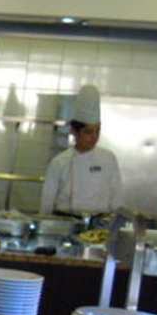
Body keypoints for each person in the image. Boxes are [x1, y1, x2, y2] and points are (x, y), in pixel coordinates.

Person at [39, 84, 123, 216]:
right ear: (74, 131)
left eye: (97, 130)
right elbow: (47, 203)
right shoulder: (59, 162)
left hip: (99, 224)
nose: (94, 137)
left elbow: (117, 199)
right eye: (88, 132)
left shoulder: (108, 159)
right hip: (65, 222)